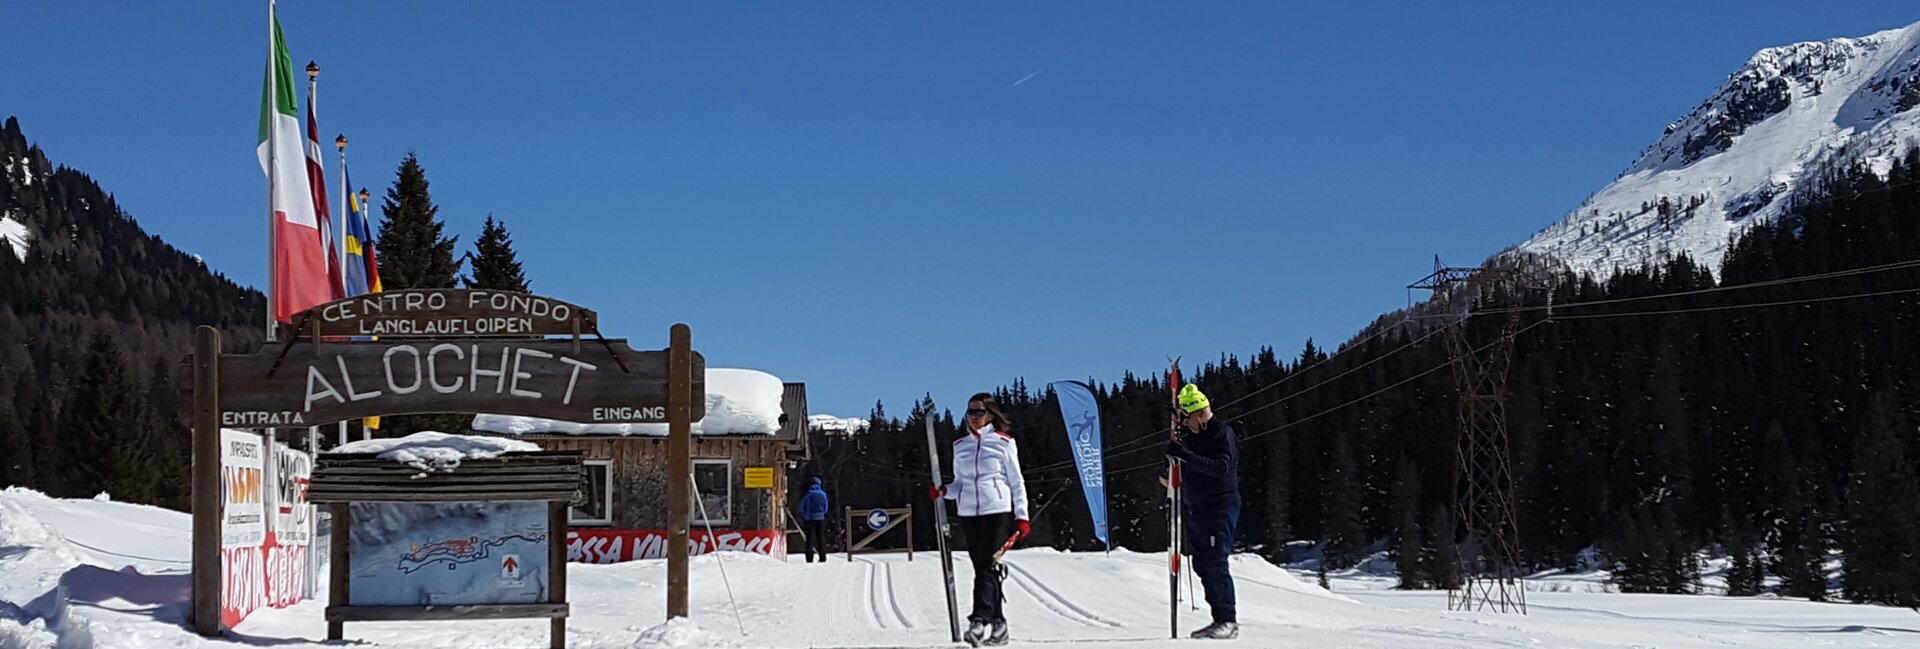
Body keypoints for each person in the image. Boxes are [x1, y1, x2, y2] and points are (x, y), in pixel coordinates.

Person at [930, 392, 1030, 647]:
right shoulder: (960, 446)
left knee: (987, 564)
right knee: (984, 568)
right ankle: (999, 624)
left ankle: (980, 620)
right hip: (969, 512)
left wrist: (1022, 517)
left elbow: (1016, 482)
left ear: (990, 414)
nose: (973, 417)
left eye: (979, 412)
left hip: (996, 509)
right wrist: (944, 491)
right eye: (970, 412)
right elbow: (960, 483)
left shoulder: (1004, 443)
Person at [1165, 383, 1240, 640]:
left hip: (1218, 507)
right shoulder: (1195, 439)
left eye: (1188, 419)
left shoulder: (1221, 433)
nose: (1186, 425)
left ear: (1199, 413)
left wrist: (1185, 455)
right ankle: (1217, 618)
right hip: (1197, 508)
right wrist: (1174, 477)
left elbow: (1221, 468)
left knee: (1216, 561)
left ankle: (1227, 620)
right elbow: (1192, 469)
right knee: (1203, 564)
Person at [798, 476, 830, 563]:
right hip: (820, 518)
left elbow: (801, 507)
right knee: (820, 538)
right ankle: (822, 557)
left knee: (809, 539)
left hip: (809, 518)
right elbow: (826, 508)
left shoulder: (808, 494)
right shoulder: (823, 494)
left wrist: (803, 514)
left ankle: (809, 558)